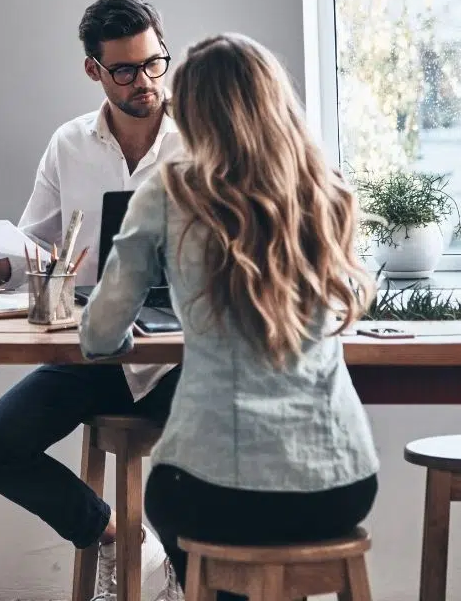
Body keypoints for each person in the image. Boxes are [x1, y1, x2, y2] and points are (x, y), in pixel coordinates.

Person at [79, 33, 380, 600]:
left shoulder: (169, 192)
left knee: (173, 500)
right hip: (341, 484)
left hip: (214, 489)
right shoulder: (327, 189)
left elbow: (99, 333)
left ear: (191, 112)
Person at [0, 0, 184, 599]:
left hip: (181, 357)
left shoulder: (203, 137)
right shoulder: (70, 144)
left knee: (185, 478)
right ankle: (117, 538)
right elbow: (36, 243)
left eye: (155, 62)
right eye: (126, 71)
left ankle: (192, 583)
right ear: (94, 70)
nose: (145, 81)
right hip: (96, 350)